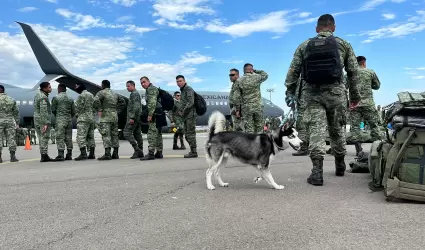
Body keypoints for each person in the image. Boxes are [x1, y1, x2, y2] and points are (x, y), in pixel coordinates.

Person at [284, 14, 360, 186]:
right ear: (333, 27)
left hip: (311, 95)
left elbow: (292, 74)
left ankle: (317, 173)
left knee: (316, 132)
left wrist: (290, 92)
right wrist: (354, 97)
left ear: (317, 29)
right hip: (336, 94)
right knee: (337, 129)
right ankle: (340, 165)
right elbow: (354, 73)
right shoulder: (343, 44)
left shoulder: (304, 46)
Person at [349, 56, 381, 157]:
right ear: (364, 62)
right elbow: (377, 86)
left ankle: (358, 150)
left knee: (355, 127)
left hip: (355, 104)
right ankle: (378, 149)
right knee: (374, 125)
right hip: (368, 104)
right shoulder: (370, 72)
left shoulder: (350, 73)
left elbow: (344, 86)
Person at [93, 80, 126, 160]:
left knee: (106, 135)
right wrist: (117, 111)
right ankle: (115, 153)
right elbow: (123, 102)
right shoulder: (115, 94)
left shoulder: (101, 93)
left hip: (106, 117)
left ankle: (107, 154)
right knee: (115, 135)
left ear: (103, 85)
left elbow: (95, 101)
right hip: (114, 116)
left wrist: (100, 109)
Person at [238, 63, 268, 134]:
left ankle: (251, 143)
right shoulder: (256, 77)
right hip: (258, 107)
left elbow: (237, 96)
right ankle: (260, 143)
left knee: (249, 129)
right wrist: (255, 71)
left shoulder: (239, 81)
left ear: (243, 70)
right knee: (259, 128)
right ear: (251, 70)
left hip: (247, 108)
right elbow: (265, 75)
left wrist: (237, 109)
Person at [140, 76, 164, 160]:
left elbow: (152, 103)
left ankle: (151, 153)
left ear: (148, 81)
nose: (143, 84)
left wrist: (150, 115)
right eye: (141, 83)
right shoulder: (151, 89)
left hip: (155, 114)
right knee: (158, 134)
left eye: (144, 82)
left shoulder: (151, 89)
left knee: (151, 133)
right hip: (159, 113)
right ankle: (159, 152)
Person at [51, 83, 75, 161]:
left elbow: (53, 109)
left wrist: (58, 115)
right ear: (65, 89)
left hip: (60, 120)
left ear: (59, 89)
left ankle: (61, 155)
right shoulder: (70, 99)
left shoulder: (56, 98)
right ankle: (69, 154)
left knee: (60, 136)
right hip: (69, 120)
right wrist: (69, 116)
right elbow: (73, 111)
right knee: (68, 137)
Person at [176, 75, 198, 158]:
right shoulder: (183, 90)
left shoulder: (188, 89)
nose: (179, 83)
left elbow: (190, 103)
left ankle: (194, 152)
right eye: (177, 81)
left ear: (184, 81)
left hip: (190, 116)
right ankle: (192, 151)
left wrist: (183, 111)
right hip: (186, 116)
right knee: (187, 134)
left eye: (180, 81)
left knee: (190, 134)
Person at [74, 83, 96, 161]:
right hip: (91, 118)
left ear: (80, 87)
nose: (75, 88)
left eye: (76, 86)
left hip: (83, 119)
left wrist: (77, 115)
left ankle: (83, 154)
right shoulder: (91, 95)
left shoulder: (81, 96)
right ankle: (92, 154)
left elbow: (77, 107)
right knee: (91, 137)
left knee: (80, 137)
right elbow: (94, 107)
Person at [34, 82, 53, 162]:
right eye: (49, 87)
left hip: (37, 119)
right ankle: (44, 156)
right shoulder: (43, 97)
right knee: (44, 137)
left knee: (41, 137)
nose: (50, 88)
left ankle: (43, 155)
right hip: (42, 120)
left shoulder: (38, 95)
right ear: (44, 88)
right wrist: (45, 123)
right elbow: (43, 111)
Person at [124, 80, 144, 159]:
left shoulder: (134, 94)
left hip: (134, 118)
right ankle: (140, 151)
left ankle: (137, 150)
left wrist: (132, 117)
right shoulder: (135, 94)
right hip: (137, 117)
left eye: (128, 86)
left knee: (126, 132)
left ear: (133, 86)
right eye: (127, 87)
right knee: (137, 134)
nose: (127, 88)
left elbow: (136, 107)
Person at [0, 84, 20, 163]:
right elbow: (16, 112)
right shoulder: (11, 99)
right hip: (9, 121)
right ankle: (13, 156)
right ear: (4, 90)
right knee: (11, 139)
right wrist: (17, 122)